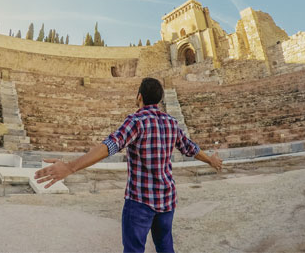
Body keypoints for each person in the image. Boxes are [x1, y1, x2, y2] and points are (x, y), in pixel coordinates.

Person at [34, 77, 223, 253]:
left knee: (133, 249)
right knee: (165, 247)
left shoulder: (135, 121)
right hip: (167, 199)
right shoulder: (172, 123)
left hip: (139, 201)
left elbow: (110, 146)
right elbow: (191, 148)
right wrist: (211, 160)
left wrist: (70, 167)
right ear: (159, 100)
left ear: (139, 97)